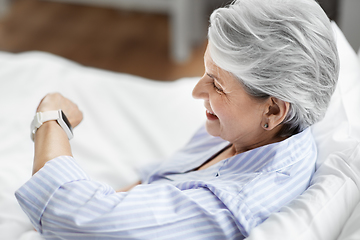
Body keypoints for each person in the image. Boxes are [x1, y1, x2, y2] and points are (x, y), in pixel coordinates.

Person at [15, 0, 339, 239]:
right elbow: (156, 181)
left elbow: (68, 214)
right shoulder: (255, 134)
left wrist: (51, 118)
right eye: (206, 71)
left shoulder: (228, 204)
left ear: (273, 110)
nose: (198, 91)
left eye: (217, 84)